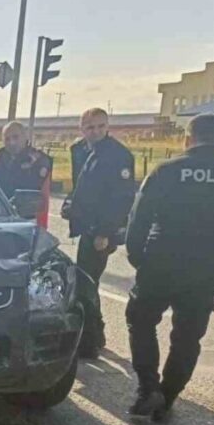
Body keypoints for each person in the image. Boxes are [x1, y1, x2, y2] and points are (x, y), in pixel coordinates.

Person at [125, 114, 214, 421]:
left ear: (187, 140)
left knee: (141, 319)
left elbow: (138, 220)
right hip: (207, 269)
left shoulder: (167, 170)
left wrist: (138, 258)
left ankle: (148, 387)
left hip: (161, 263)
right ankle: (168, 396)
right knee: (188, 337)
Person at [62, 108, 137, 358]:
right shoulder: (80, 150)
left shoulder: (118, 155)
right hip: (84, 224)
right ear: (81, 128)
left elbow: (121, 199)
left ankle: (91, 339)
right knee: (85, 281)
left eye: (100, 126)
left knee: (87, 282)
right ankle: (94, 333)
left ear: (107, 126)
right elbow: (80, 185)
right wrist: (70, 204)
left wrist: (106, 232)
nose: (95, 132)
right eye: (90, 127)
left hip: (101, 230)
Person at [0, 121, 53, 227]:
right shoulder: (0, 160)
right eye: (7, 139)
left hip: (27, 219)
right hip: (0, 215)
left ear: (25, 137)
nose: (12, 142)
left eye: (15, 137)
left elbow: (39, 193)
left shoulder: (38, 161)